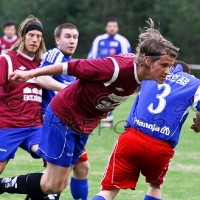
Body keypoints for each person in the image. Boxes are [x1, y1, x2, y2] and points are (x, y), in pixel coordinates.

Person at [0, 18, 179, 199]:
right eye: (164, 65)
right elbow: (71, 67)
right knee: (53, 184)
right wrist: (30, 73)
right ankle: (3, 184)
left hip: (83, 125)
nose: (168, 71)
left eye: (170, 66)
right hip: (64, 117)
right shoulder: (115, 67)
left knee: (59, 182)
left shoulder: (143, 76)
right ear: (147, 60)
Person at [91, 60, 200, 200]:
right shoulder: (194, 83)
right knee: (155, 186)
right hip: (161, 146)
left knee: (109, 190)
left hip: (132, 138)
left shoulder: (152, 71)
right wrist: (198, 124)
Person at [34, 23, 89, 200]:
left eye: (75, 37)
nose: (72, 41)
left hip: (69, 124)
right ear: (57, 39)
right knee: (56, 176)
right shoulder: (55, 54)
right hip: (53, 122)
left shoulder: (70, 64)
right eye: (67, 36)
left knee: (81, 168)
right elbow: (40, 77)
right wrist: (67, 89)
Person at [87, 17, 132, 128]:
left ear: (117, 28)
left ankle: (108, 120)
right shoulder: (99, 40)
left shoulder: (122, 41)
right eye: (110, 26)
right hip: (99, 73)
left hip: (115, 74)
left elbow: (128, 59)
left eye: (114, 26)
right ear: (106, 27)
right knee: (95, 94)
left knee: (110, 95)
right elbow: (91, 56)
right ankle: (96, 118)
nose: (112, 28)